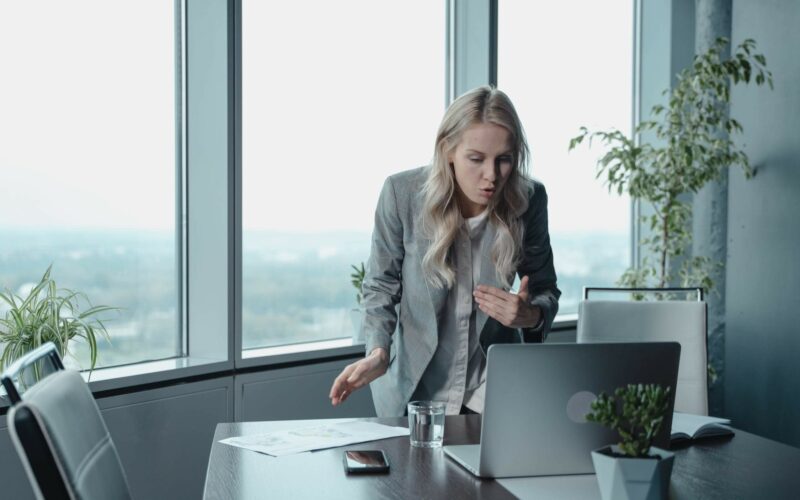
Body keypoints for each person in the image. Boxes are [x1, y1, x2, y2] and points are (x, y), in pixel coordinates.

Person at [329, 86, 560, 417]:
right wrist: (378, 351)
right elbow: (381, 285)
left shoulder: (529, 199)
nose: (492, 175)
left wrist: (531, 315)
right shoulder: (401, 194)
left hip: (491, 394)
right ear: (448, 150)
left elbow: (544, 289)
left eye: (504, 160)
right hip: (415, 394)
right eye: (476, 159)